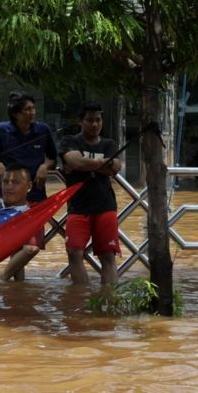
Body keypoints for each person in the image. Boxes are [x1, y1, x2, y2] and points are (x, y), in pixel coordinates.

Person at [0, 90, 58, 280]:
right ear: (16, 113)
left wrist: (45, 166)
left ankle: (2, 280)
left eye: (33, 108)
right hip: (9, 200)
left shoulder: (43, 130)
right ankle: (18, 295)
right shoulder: (0, 130)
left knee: (31, 247)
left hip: (35, 196)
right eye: (28, 109)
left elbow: (53, 157)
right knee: (15, 247)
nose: (32, 112)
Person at [58, 101, 122, 285]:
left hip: (105, 205)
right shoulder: (69, 141)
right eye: (89, 120)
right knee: (74, 253)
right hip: (78, 206)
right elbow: (74, 162)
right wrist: (104, 164)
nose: (95, 124)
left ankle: (109, 299)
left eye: (98, 120)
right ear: (80, 122)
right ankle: (81, 298)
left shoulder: (109, 143)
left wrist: (84, 163)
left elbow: (116, 167)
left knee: (108, 256)